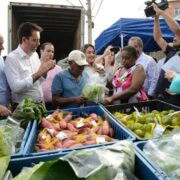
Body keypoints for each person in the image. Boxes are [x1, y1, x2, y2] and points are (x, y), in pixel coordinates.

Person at [4, 22, 56, 109]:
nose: (38, 44)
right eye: (35, 40)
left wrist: (45, 71)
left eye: (39, 40)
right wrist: (39, 73)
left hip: (40, 103)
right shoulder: (12, 58)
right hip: (24, 108)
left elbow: (39, 81)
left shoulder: (35, 55)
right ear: (24, 39)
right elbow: (15, 87)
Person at [153, 3, 180, 106]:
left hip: (174, 100)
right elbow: (158, 38)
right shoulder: (172, 50)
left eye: (177, 36)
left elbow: (177, 30)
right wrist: (156, 18)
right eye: (173, 36)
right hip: (160, 97)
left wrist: (162, 12)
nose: (174, 37)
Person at [40, 42, 62, 110]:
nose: (50, 53)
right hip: (38, 104)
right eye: (48, 51)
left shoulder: (58, 69)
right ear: (41, 51)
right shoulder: (35, 65)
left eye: (52, 51)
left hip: (53, 105)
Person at [0, 33, 11, 117]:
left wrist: (9, 101)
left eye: (2, 44)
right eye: (0, 44)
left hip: (5, 109)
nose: (3, 47)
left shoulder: (1, 59)